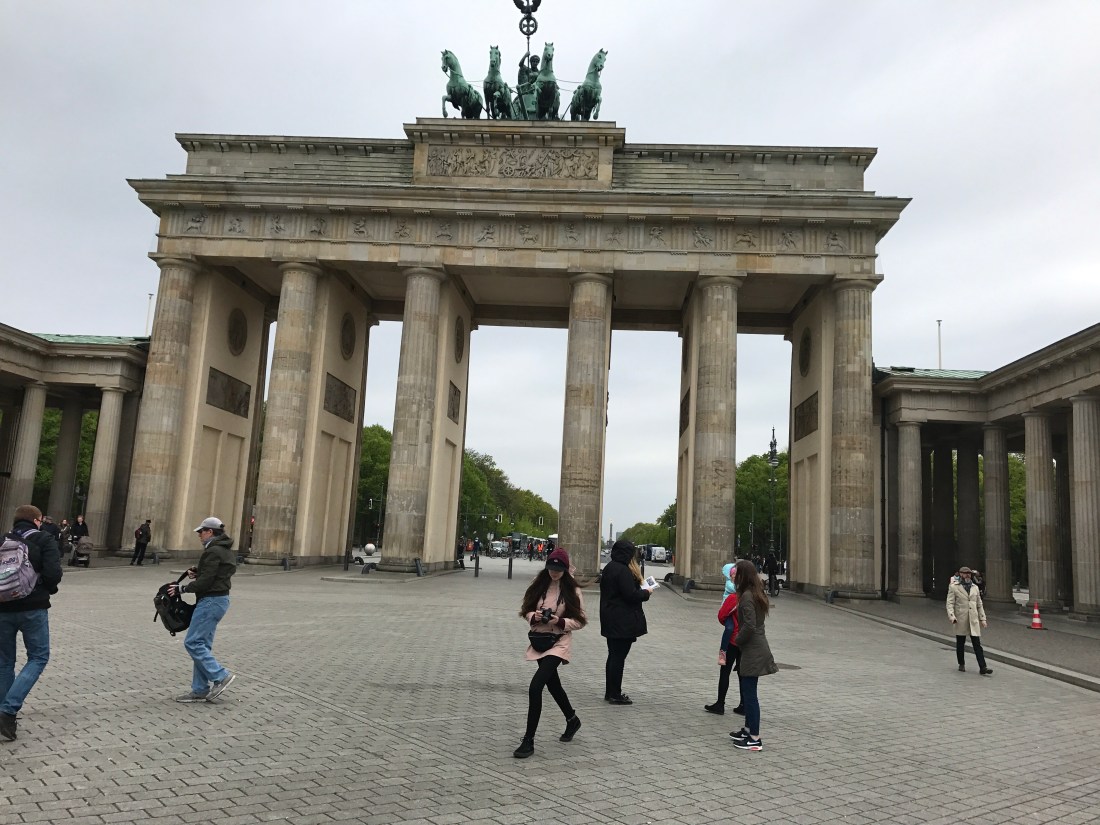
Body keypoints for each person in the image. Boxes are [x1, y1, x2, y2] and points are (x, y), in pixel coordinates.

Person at [514, 547, 586, 758]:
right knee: (553, 685)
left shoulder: (572, 591)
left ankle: (528, 740)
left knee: (536, 687)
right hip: (540, 641)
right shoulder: (539, 584)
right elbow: (525, 609)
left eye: (557, 569)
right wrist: (533, 616)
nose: (553, 572)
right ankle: (572, 720)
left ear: (565, 568)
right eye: (550, 568)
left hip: (559, 641)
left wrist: (560, 621)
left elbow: (580, 621)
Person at [1, 504, 63, 741]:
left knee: (4, 661)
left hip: (2, 606)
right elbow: (53, 575)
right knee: (38, 657)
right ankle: (7, 710)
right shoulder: (44, 540)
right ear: (37, 521)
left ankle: (4, 712)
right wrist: (45, 590)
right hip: (33, 608)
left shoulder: (3, 540)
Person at [168, 517, 238, 702]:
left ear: (210, 532)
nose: (199, 535)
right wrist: (198, 572)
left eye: (202, 531)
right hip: (219, 600)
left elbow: (207, 581)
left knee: (193, 643)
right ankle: (199, 690)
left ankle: (221, 676)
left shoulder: (213, 551)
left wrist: (182, 588)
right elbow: (216, 574)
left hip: (210, 601)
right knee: (202, 645)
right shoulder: (225, 550)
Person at [728, 560, 777, 751]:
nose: (733, 576)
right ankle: (748, 730)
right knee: (748, 692)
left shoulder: (747, 596)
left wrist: (738, 640)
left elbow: (748, 625)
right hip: (755, 646)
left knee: (750, 695)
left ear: (743, 575)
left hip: (752, 648)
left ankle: (754, 738)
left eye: (736, 573)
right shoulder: (754, 592)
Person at [599, 538, 651, 705]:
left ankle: (610, 691)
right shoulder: (623, 570)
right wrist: (646, 592)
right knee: (618, 657)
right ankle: (615, 693)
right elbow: (630, 595)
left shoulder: (609, 568)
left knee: (613, 656)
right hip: (622, 620)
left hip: (610, 617)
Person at [705, 562, 744, 716]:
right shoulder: (752, 596)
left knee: (725, 672)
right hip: (746, 641)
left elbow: (721, 616)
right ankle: (744, 704)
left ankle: (720, 703)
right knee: (743, 673)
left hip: (732, 640)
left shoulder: (733, 597)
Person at [946, 566, 992, 676]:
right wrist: (952, 616)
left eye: (969, 574)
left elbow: (979, 604)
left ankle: (983, 667)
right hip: (961, 619)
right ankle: (961, 663)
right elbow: (950, 603)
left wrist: (983, 619)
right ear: (960, 574)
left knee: (977, 644)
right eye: (965, 573)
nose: (968, 575)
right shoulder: (954, 587)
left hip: (973, 619)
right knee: (960, 643)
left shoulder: (975, 587)